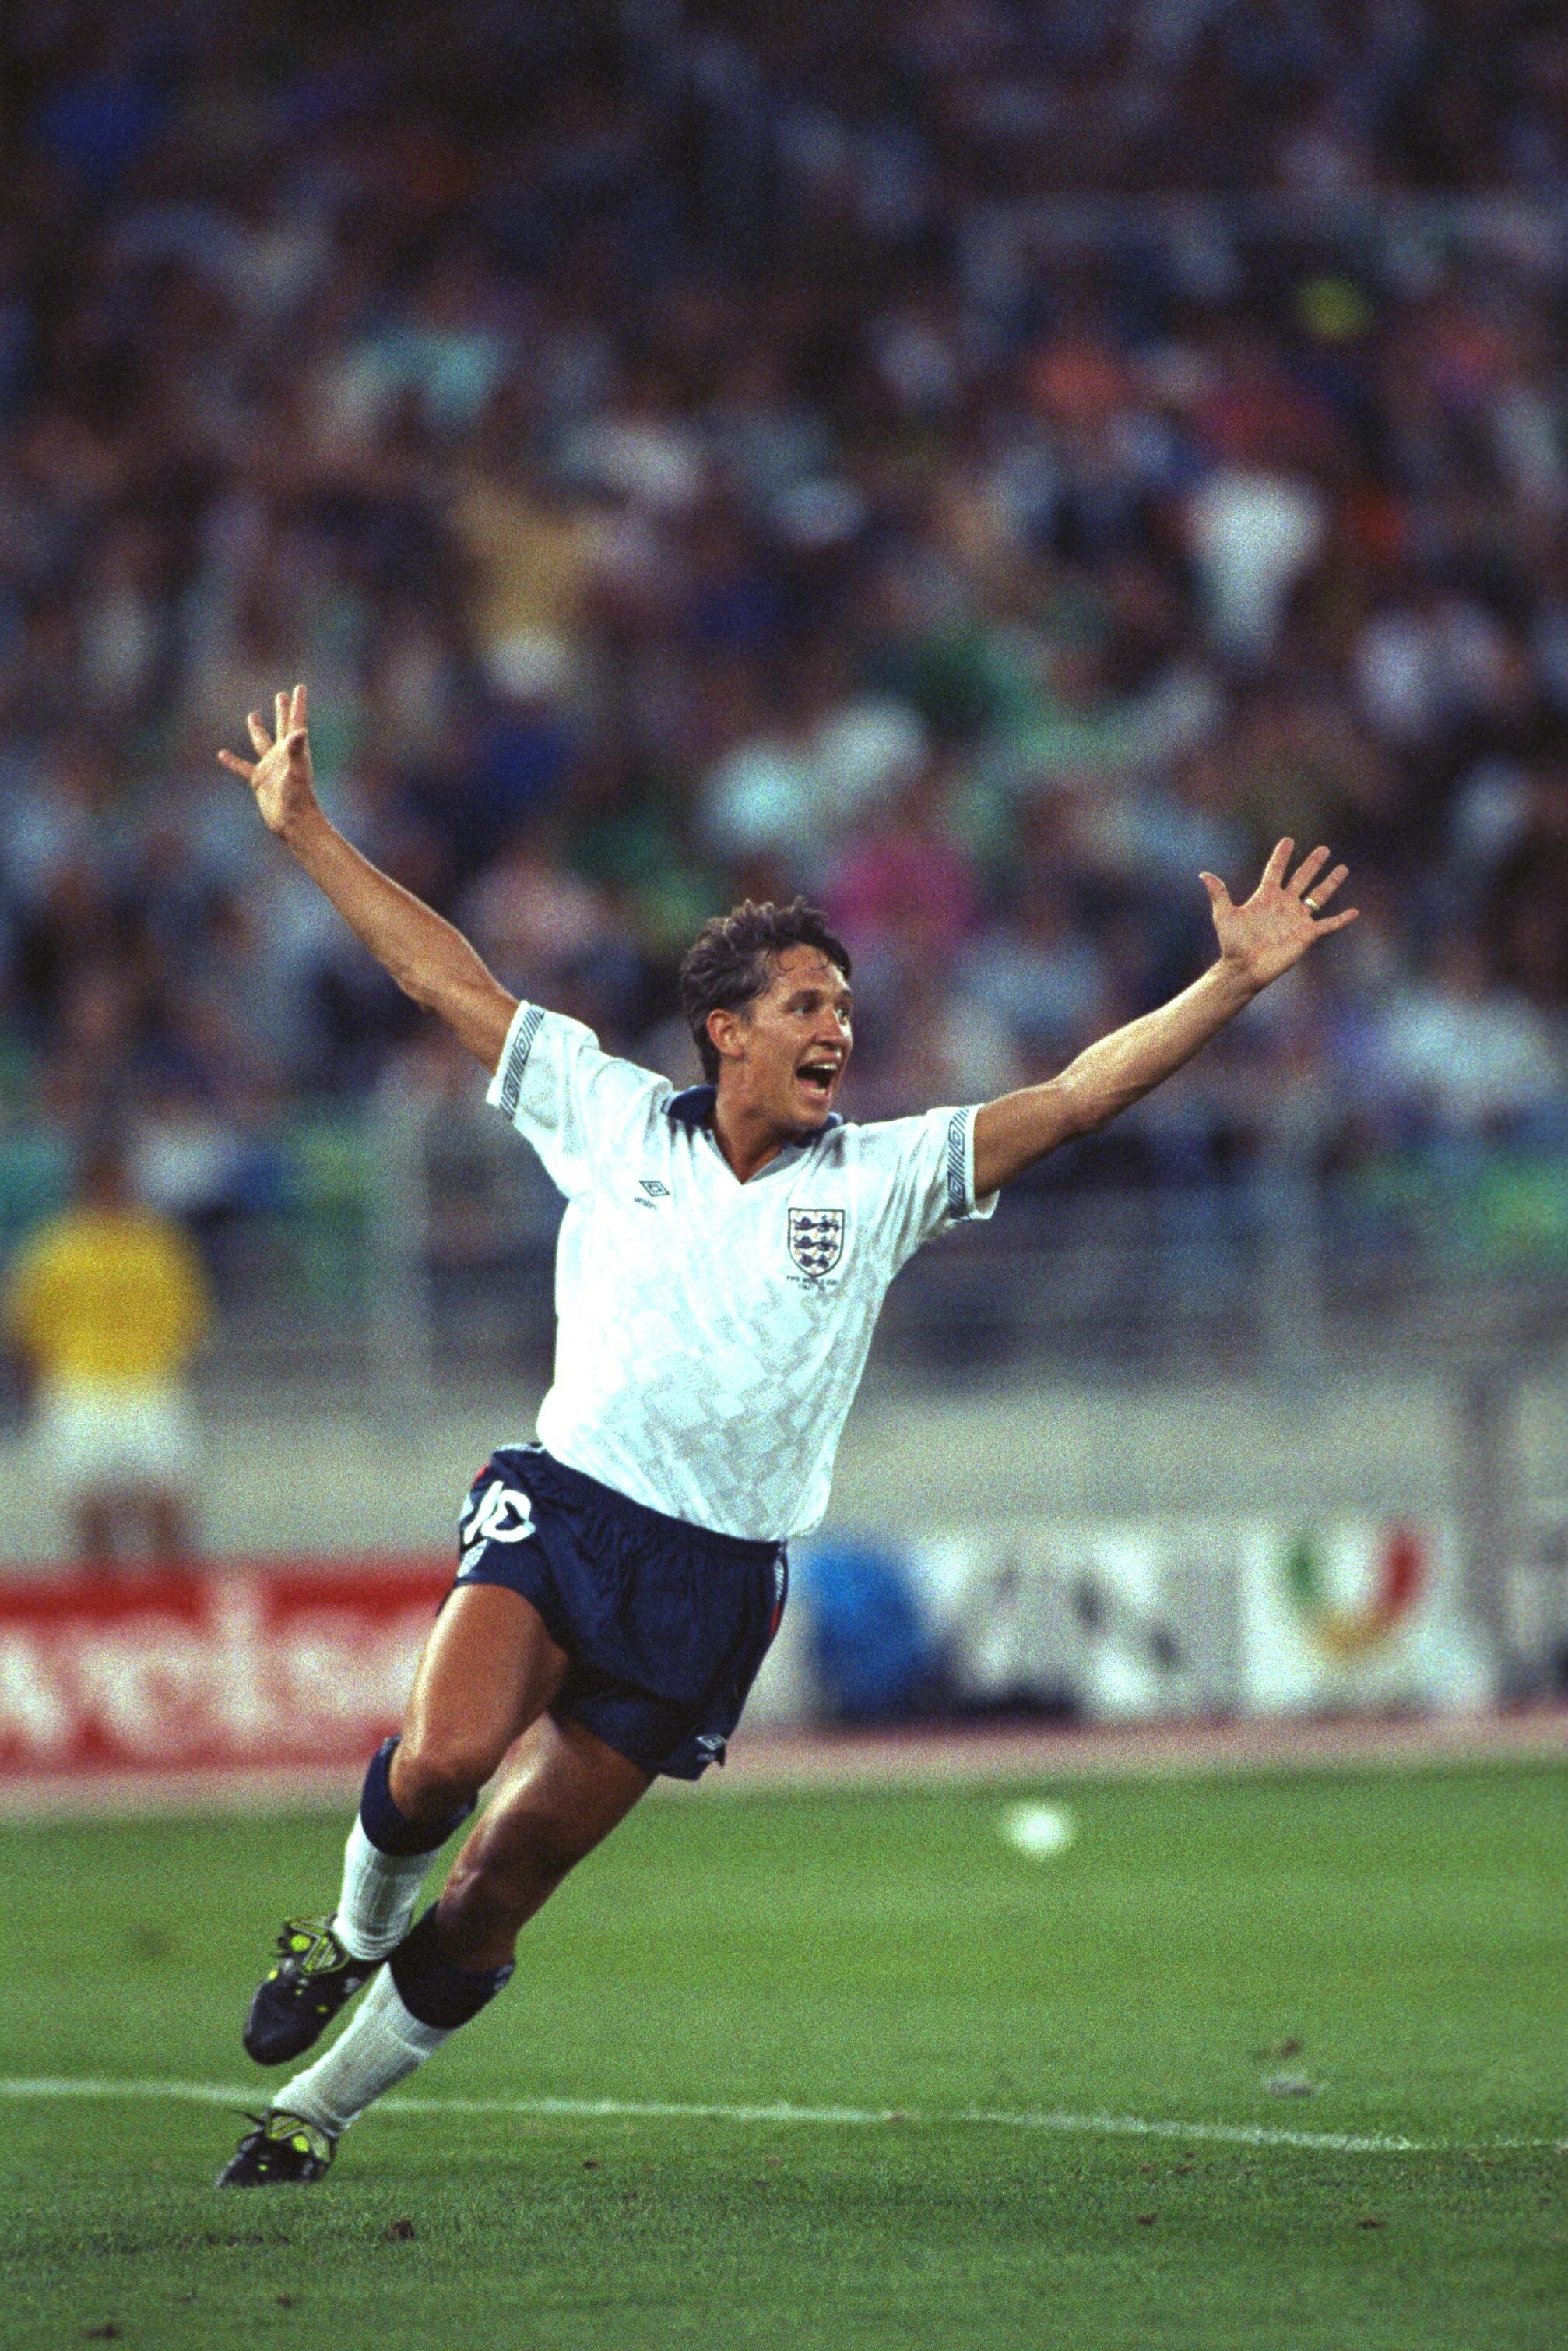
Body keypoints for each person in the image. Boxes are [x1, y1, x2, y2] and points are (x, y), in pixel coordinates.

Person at [213, 685, 1355, 2186]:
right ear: (726, 1030)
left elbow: (1076, 1095)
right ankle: (345, 1931)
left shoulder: (880, 1176)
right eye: (807, 1003)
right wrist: (304, 828)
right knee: (442, 1757)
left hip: (715, 1577)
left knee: (499, 1883)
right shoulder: (606, 1114)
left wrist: (1226, 987)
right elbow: (444, 977)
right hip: (565, 1511)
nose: (839, 1026)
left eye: (844, 1005)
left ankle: (315, 2109)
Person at [4, 1135, 210, 1567]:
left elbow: (188, 1314)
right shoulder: (55, 1249)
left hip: (148, 1383)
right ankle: (101, 1612)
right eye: (103, 1184)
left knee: (168, 1501)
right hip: (80, 1386)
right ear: (85, 1187)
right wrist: (42, 1381)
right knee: (89, 1506)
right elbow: (25, 1322)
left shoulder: (158, 1245)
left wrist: (162, 1358)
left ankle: (173, 1609)